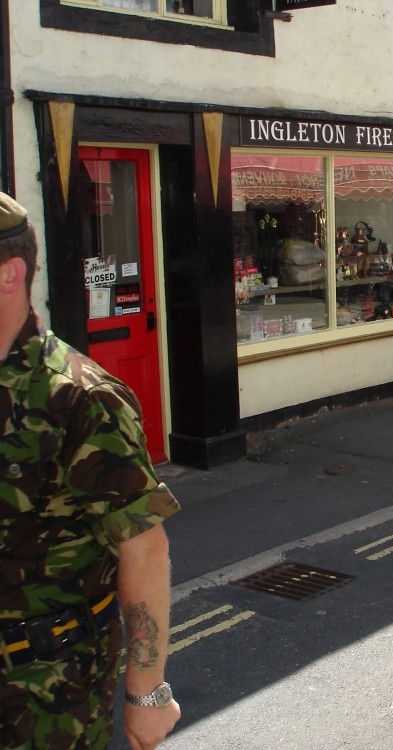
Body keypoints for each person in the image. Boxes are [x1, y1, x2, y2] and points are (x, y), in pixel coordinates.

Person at [0, 192, 181, 748]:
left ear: (8, 273)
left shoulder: (77, 398)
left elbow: (143, 548)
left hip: (45, 692)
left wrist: (146, 695)